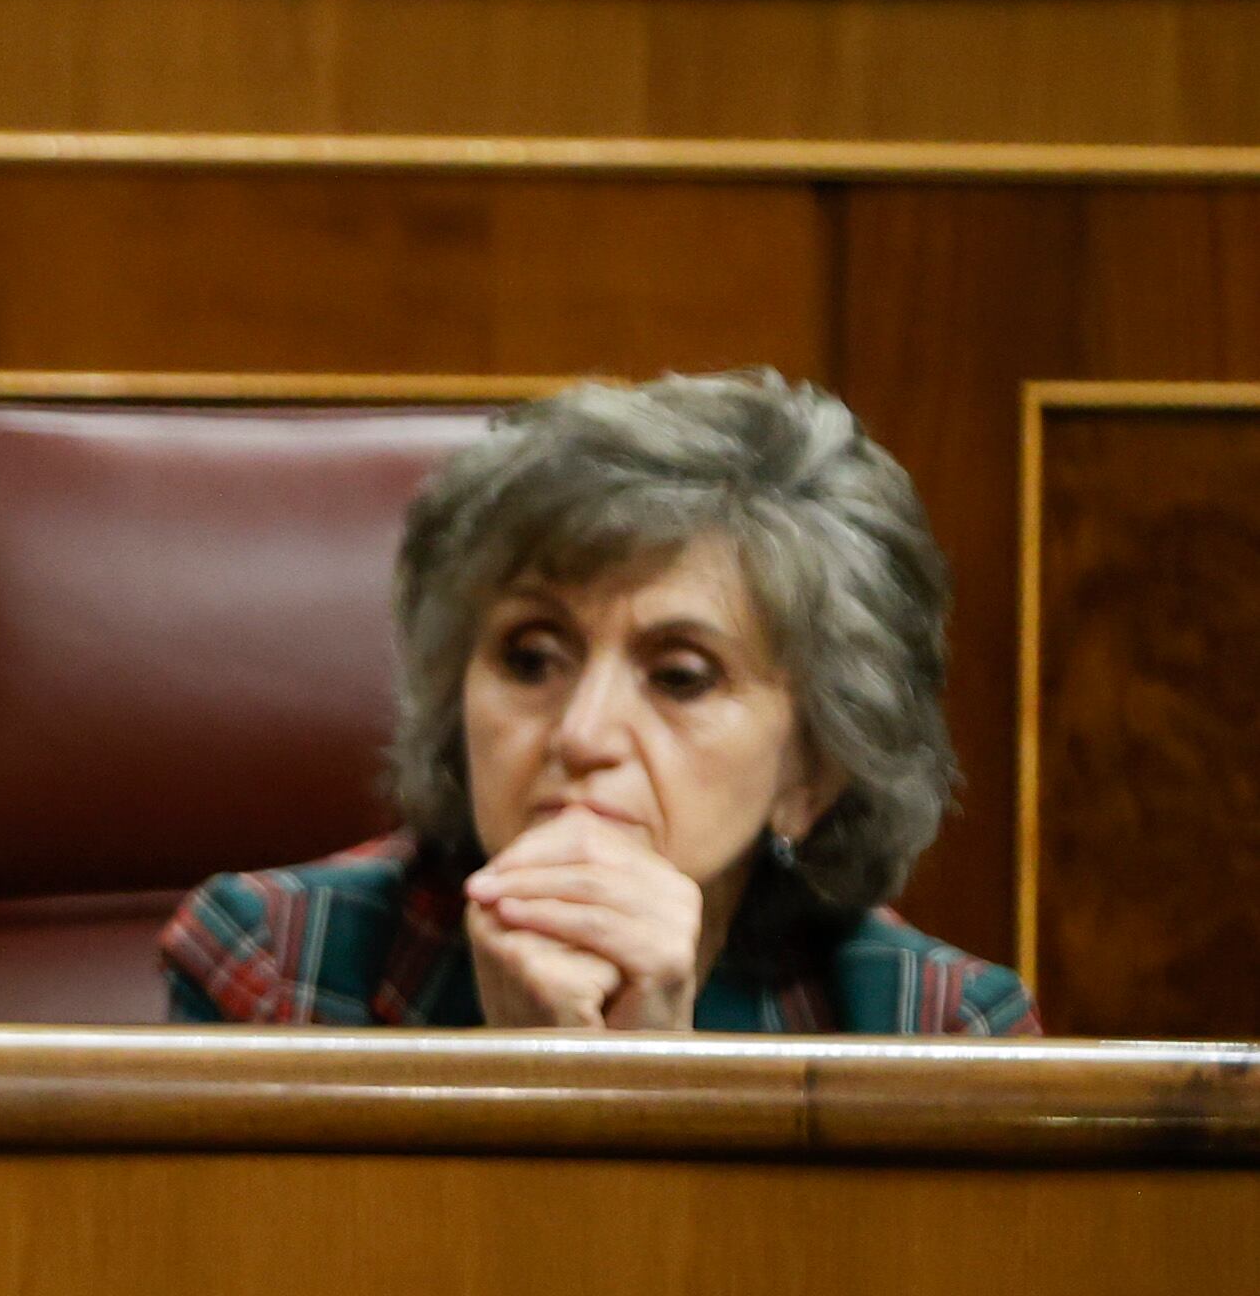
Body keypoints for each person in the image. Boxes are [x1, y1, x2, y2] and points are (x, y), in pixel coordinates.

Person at [161, 373, 1031, 1035]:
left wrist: (644, 1084)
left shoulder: (931, 1026)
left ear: (812, 771)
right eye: (530, 657)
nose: (579, 735)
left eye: (680, 676)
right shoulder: (282, 965)